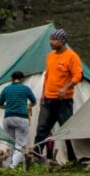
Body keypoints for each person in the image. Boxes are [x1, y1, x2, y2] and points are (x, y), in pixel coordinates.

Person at [35, 29, 84, 163]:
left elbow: (78, 75)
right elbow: (47, 76)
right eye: (50, 39)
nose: (51, 42)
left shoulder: (71, 56)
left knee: (66, 130)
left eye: (54, 40)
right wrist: (43, 94)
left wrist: (65, 88)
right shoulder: (50, 56)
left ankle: (73, 158)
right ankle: (36, 156)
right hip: (48, 99)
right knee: (42, 128)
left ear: (62, 42)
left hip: (64, 101)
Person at [0, 68, 36, 169]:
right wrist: (28, 106)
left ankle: (7, 165)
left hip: (8, 118)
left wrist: (8, 107)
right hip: (21, 118)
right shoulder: (25, 88)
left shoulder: (6, 89)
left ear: (12, 79)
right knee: (20, 145)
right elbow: (34, 101)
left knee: (11, 144)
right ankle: (12, 167)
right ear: (22, 79)